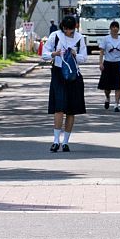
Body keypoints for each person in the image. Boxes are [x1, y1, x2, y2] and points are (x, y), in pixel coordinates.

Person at [43, 15, 88, 153]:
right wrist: (54, 54)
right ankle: (56, 141)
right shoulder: (55, 36)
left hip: (74, 76)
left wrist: (75, 54)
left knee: (71, 110)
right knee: (59, 108)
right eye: (67, 29)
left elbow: (84, 58)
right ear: (63, 27)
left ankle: (66, 142)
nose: (69, 32)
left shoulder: (79, 38)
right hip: (58, 74)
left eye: (72, 29)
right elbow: (44, 54)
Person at [97, 21, 120, 112]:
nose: (115, 29)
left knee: (118, 85)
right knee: (107, 87)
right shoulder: (106, 39)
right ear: (110, 29)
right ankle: (107, 98)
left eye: (116, 27)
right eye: (113, 27)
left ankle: (116, 104)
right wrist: (101, 63)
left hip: (118, 63)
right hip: (108, 63)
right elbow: (102, 51)